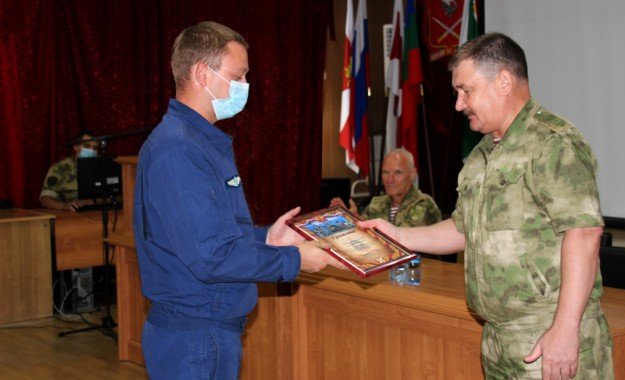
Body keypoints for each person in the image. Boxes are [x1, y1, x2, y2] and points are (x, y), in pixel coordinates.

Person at [360, 33, 613, 379]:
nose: (459, 104)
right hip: (498, 338)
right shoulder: (481, 154)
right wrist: (396, 234)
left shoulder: (553, 144)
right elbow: (462, 229)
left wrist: (565, 331)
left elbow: (584, 233)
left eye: (467, 90)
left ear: (504, 81)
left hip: (548, 334)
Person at [133, 21, 344, 380]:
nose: (245, 86)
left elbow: (215, 235)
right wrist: (294, 260)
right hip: (195, 335)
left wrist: (267, 238)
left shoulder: (198, 142)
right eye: (239, 75)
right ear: (202, 73)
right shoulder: (179, 150)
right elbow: (211, 257)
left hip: (206, 329)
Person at [331, 148, 441, 228]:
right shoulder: (376, 204)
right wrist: (353, 219)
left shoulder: (425, 205)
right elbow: (363, 240)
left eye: (397, 172)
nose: (389, 180)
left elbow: (437, 247)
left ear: (413, 174)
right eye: (385, 172)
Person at [39, 130, 100, 211]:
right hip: (70, 214)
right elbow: (45, 198)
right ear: (75, 147)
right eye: (87, 146)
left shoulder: (103, 165)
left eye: (95, 148)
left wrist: (92, 202)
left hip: (98, 213)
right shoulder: (60, 168)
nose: (91, 150)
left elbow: (119, 196)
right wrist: (64, 206)